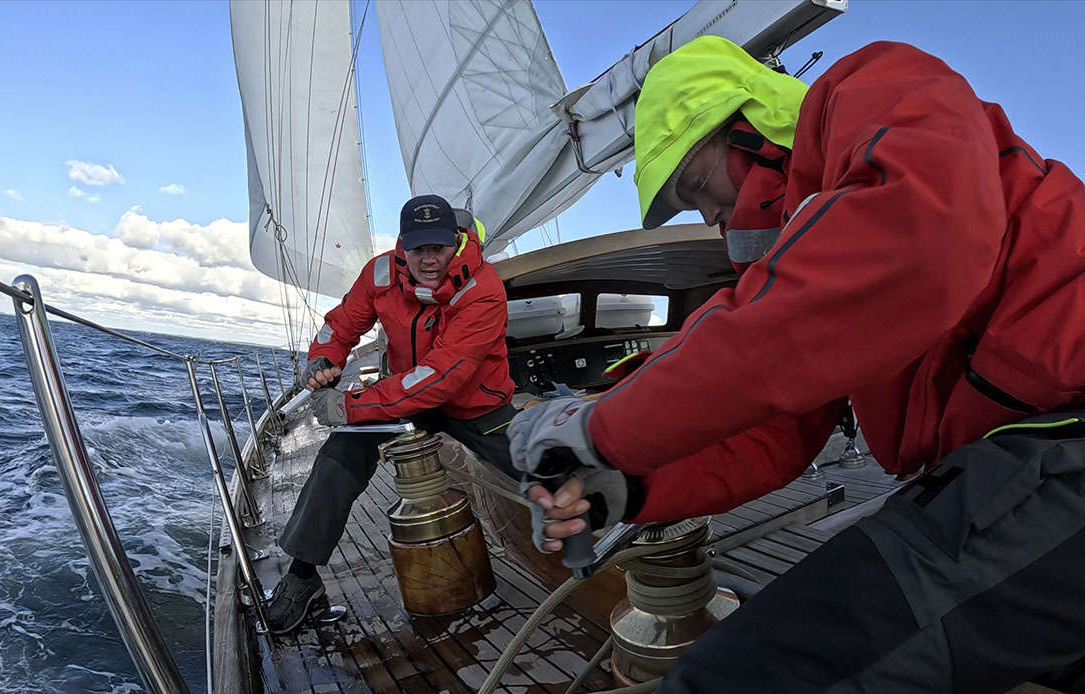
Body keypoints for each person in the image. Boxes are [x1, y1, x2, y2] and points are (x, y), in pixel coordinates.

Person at [509, 36, 1085, 692]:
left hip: (1066, 434)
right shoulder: (805, 266)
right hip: (1026, 459)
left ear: (752, 128)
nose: (708, 215)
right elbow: (775, 428)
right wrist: (630, 484)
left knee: (734, 677)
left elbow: (922, 244)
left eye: (698, 183)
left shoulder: (874, 85)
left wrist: (600, 427)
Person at [268, 194, 518, 635]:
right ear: (403, 243)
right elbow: (340, 324)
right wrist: (323, 358)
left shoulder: (484, 291)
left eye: (438, 247)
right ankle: (301, 580)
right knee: (337, 461)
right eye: (418, 247)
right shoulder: (380, 273)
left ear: (456, 241)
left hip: (472, 401)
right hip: (401, 398)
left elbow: (441, 376)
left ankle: (604, 527)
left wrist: (347, 405)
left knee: (533, 459)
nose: (428, 259)